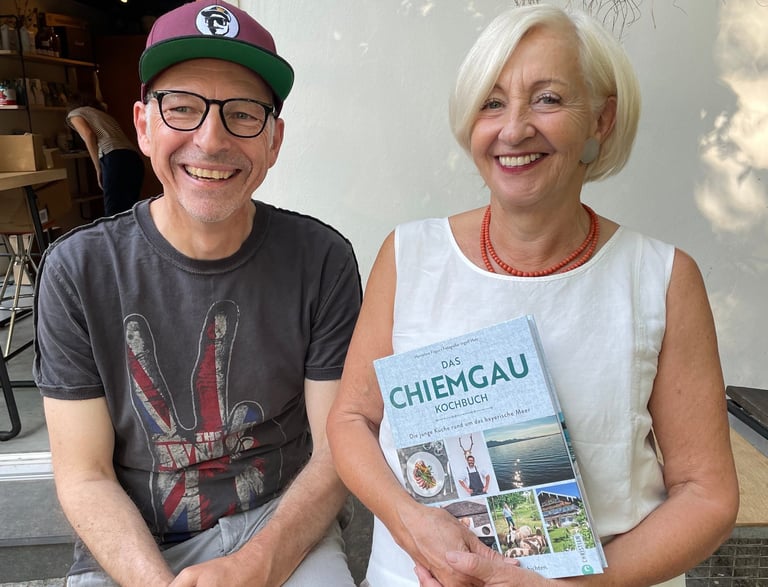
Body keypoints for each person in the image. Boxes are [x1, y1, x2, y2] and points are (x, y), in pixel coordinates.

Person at [327, 5, 738, 587]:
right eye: (491, 103)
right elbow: (351, 419)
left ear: (601, 120)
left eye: (547, 99)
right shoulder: (409, 256)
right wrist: (408, 522)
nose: (514, 129)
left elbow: (708, 495)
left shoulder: (662, 279)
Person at [34, 2, 362, 586]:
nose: (210, 140)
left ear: (274, 140)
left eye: (242, 114)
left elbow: (337, 450)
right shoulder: (78, 270)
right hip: (134, 543)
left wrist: (254, 566)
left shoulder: (322, 260)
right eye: (182, 108)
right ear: (142, 126)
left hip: (280, 526)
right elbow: (84, 476)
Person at [66, 91, 145, 216]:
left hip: (113, 157)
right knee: (130, 210)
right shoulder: (103, 115)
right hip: (133, 157)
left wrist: (98, 168)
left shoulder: (74, 114)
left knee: (113, 211)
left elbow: (88, 134)